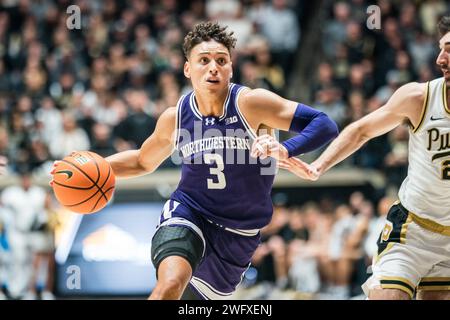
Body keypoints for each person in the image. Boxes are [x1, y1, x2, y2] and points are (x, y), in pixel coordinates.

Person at [51, 21, 338, 300]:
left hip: (239, 233)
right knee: (170, 284)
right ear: (188, 68)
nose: (213, 67)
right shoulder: (176, 116)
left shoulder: (252, 103)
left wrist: (286, 148)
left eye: (221, 60)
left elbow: (324, 124)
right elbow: (141, 160)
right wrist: (86, 167)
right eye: (204, 60)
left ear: (231, 68)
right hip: (189, 212)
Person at [278, 16, 450, 300]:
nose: (441, 59)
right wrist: (319, 166)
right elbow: (360, 130)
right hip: (413, 230)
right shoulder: (419, 97)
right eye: (441, 48)